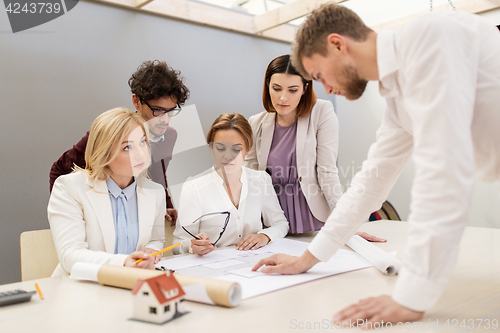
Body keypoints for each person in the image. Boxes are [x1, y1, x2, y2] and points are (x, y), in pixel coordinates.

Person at [252, 3, 500, 327]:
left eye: (319, 75)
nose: (326, 89)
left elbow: (443, 176)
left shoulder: (428, 39)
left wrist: (411, 298)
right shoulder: (397, 97)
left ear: (338, 44)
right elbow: (370, 182)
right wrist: (307, 259)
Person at [246, 54, 385, 242]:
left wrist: (346, 223)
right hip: (270, 221)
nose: (283, 97)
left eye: (292, 90)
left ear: (305, 88)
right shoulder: (256, 123)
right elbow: (250, 178)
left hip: (312, 217)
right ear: (267, 86)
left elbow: (327, 171)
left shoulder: (322, 112)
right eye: (276, 89)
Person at [49, 60, 190, 225]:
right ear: (136, 101)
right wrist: (68, 217)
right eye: (158, 111)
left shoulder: (170, 136)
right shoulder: (113, 132)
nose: (165, 120)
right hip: (101, 218)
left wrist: (166, 206)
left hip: (136, 219)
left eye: (171, 111)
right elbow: (59, 170)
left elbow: (157, 177)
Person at [48, 108, 166, 276]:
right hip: (82, 289)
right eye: (127, 147)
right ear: (103, 153)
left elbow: (156, 239)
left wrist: (152, 250)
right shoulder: (68, 187)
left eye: (142, 142)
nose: (141, 154)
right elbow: (69, 255)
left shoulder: (155, 192)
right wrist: (123, 263)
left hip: (133, 285)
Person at [173, 113, 289, 255]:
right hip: (211, 269)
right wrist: (192, 246)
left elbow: (280, 224)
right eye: (220, 148)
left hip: (253, 264)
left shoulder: (261, 181)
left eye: (236, 149)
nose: (228, 156)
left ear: (248, 149)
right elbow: (177, 245)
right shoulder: (194, 187)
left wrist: (264, 236)